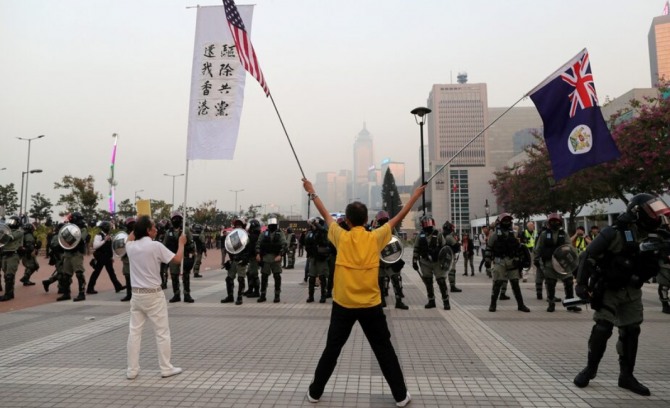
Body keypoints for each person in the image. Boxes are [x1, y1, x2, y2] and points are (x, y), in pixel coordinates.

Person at [302, 178, 424, 407]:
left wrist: (311, 192)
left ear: (346, 221)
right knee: (384, 349)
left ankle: (315, 393)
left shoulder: (341, 236)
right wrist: (415, 195)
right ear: (367, 220)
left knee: (332, 349)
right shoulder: (376, 237)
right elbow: (399, 216)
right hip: (370, 305)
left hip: (343, 305)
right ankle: (400, 396)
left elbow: (325, 214)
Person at [573, 193, 670, 396]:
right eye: (651, 213)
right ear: (637, 213)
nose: (656, 217)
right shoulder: (614, 233)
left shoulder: (658, 235)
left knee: (631, 331)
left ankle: (626, 376)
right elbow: (587, 256)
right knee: (602, 328)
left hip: (633, 291)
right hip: (609, 289)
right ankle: (590, 369)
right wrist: (581, 283)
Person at [125, 215, 185, 380]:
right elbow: (177, 260)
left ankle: (132, 369)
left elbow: (130, 237)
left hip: (137, 294)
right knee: (162, 332)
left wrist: (137, 224)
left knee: (134, 332)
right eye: (153, 227)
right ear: (147, 230)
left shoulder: (130, 246)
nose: (157, 229)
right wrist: (181, 244)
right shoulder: (155, 246)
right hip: (153, 294)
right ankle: (166, 367)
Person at [484, 213, 530, 313]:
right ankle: (493, 304)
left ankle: (521, 305)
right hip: (499, 261)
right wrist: (487, 260)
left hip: (512, 261)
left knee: (515, 283)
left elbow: (518, 247)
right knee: (497, 283)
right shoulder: (495, 234)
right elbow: (489, 248)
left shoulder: (513, 233)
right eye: (504, 220)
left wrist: (520, 259)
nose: (506, 222)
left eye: (508, 221)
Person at [534, 213, 579, 313]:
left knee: (568, 282)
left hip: (563, 263)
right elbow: (538, 248)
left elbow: (569, 246)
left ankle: (570, 304)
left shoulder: (564, 234)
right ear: (549, 223)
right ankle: (551, 304)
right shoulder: (544, 234)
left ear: (560, 222)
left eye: (556, 221)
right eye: (552, 221)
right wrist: (536, 259)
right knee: (550, 283)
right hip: (549, 263)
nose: (555, 223)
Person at [413, 216, 452, 310]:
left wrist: (444, 260)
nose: (427, 225)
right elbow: (416, 248)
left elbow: (444, 248)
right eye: (425, 223)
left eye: (428, 223)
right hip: (425, 262)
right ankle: (431, 301)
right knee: (428, 281)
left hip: (437, 262)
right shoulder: (420, 235)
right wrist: (414, 260)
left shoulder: (438, 234)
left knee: (441, 281)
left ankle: (446, 301)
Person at [375, 211, 408, 310]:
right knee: (380, 282)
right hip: (380, 261)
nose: (384, 223)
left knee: (396, 279)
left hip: (390, 261)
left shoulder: (391, 230)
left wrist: (397, 258)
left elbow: (397, 242)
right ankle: (381, 301)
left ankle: (399, 301)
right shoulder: (375, 231)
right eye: (382, 221)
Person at [164, 212, 195, 303]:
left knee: (186, 276)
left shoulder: (186, 231)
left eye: (178, 218)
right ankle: (176, 294)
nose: (176, 220)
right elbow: (164, 245)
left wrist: (192, 254)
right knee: (174, 276)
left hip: (184, 257)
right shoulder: (168, 232)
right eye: (174, 219)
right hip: (173, 257)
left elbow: (191, 243)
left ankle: (187, 294)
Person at [86, 221, 125, 294]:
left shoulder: (108, 236)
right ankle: (90, 288)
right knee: (96, 273)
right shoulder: (99, 236)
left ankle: (117, 286)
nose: (110, 229)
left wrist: (112, 257)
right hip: (100, 257)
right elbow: (95, 246)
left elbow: (111, 247)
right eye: (109, 227)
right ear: (106, 228)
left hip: (107, 257)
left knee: (111, 273)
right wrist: (104, 240)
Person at [255, 214, 287, 303]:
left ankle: (277, 295)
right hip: (265, 258)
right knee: (264, 277)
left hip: (276, 258)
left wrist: (280, 255)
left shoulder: (280, 234)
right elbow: (258, 244)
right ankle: (263, 294)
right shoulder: (264, 233)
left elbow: (284, 245)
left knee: (277, 277)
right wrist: (257, 254)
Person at [221, 217, 252, 305]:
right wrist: (229, 261)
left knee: (241, 279)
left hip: (242, 260)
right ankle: (230, 296)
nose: (238, 226)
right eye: (237, 224)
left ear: (243, 226)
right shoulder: (232, 236)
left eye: (240, 224)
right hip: (234, 260)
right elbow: (230, 248)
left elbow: (249, 250)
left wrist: (245, 259)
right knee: (229, 279)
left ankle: (239, 297)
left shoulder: (246, 236)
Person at [60, 212, 90, 302]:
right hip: (68, 253)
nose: (70, 219)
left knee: (79, 273)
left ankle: (81, 293)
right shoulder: (69, 228)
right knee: (66, 275)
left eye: (72, 218)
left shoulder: (83, 229)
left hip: (76, 253)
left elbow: (80, 239)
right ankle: (66, 293)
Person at [304, 217, 330, 303]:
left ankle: (323, 295)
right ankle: (311, 296)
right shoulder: (311, 233)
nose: (312, 226)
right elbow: (306, 243)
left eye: (314, 224)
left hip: (321, 258)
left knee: (322, 277)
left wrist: (316, 223)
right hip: (313, 258)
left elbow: (323, 231)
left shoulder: (322, 232)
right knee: (311, 277)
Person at [0, 215, 25, 301]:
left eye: (13, 222)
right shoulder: (7, 230)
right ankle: (10, 293)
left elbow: (8, 238)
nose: (11, 223)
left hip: (13, 255)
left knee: (9, 275)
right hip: (5, 255)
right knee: (6, 275)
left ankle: (8, 294)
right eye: (10, 221)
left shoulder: (19, 232)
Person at [441, 221, 462, 292]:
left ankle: (443, 286)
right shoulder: (449, 237)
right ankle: (452, 286)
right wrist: (458, 244)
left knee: (442, 272)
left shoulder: (441, 235)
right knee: (452, 271)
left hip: (442, 256)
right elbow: (456, 245)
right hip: (450, 255)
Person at [244, 219, 262, 298]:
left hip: (254, 257)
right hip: (252, 257)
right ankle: (250, 289)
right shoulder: (254, 235)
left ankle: (257, 291)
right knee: (249, 273)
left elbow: (251, 248)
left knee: (254, 274)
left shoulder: (254, 236)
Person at [120, 217, 137, 302]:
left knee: (136, 277)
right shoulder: (124, 235)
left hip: (136, 258)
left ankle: (135, 294)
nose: (132, 225)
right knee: (127, 276)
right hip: (126, 258)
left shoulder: (139, 234)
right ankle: (129, 294)